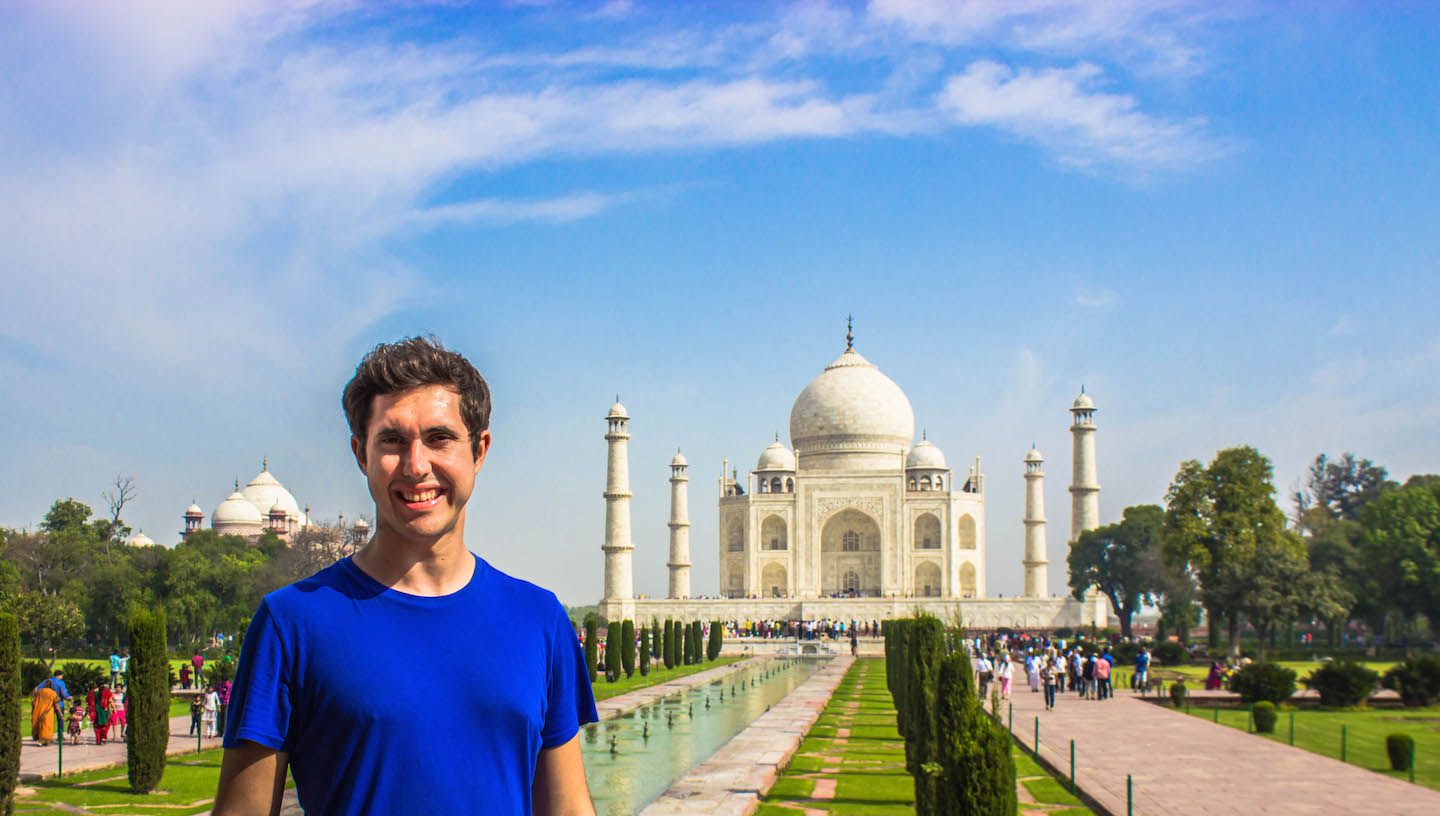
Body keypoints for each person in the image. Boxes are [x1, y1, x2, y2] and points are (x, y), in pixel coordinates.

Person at [215, 336, 598, 816]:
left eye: (439, 438)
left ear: (479, 451)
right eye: (393, 441)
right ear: (361, 453)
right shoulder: (292, 624)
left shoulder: (539, 619)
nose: (417, 467)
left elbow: (567, 808)